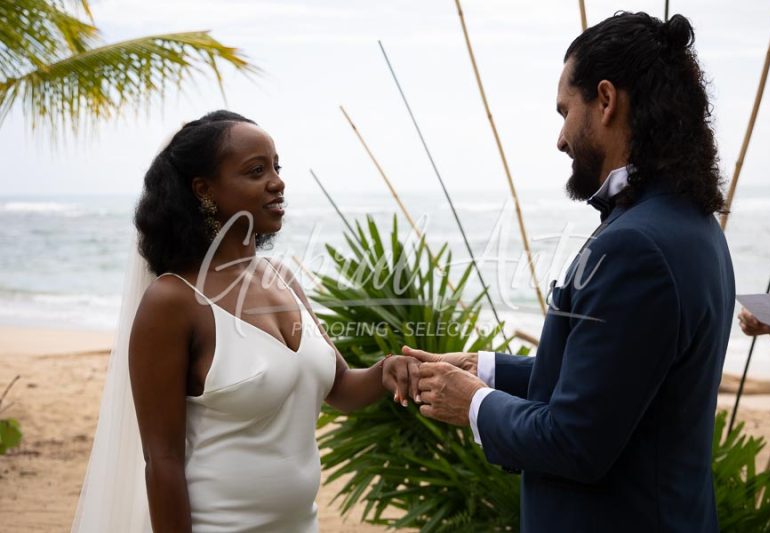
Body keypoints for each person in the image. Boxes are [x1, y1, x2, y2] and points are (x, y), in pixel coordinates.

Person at [400, 12, 735, 532]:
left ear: (605, 100)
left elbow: (576, 440)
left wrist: (473, 404)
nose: (559, 139)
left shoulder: (636, 245)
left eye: (564, 111)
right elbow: (612, 385)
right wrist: (484, 368)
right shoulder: (691, 223)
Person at [71, 110, 418, 532]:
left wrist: (387, 371)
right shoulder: (174, 301)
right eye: (256, 171)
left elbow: (340, 387)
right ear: (204, 191)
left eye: (276, 166)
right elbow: (161, 461)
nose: (277, 181)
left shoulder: (282, 279)